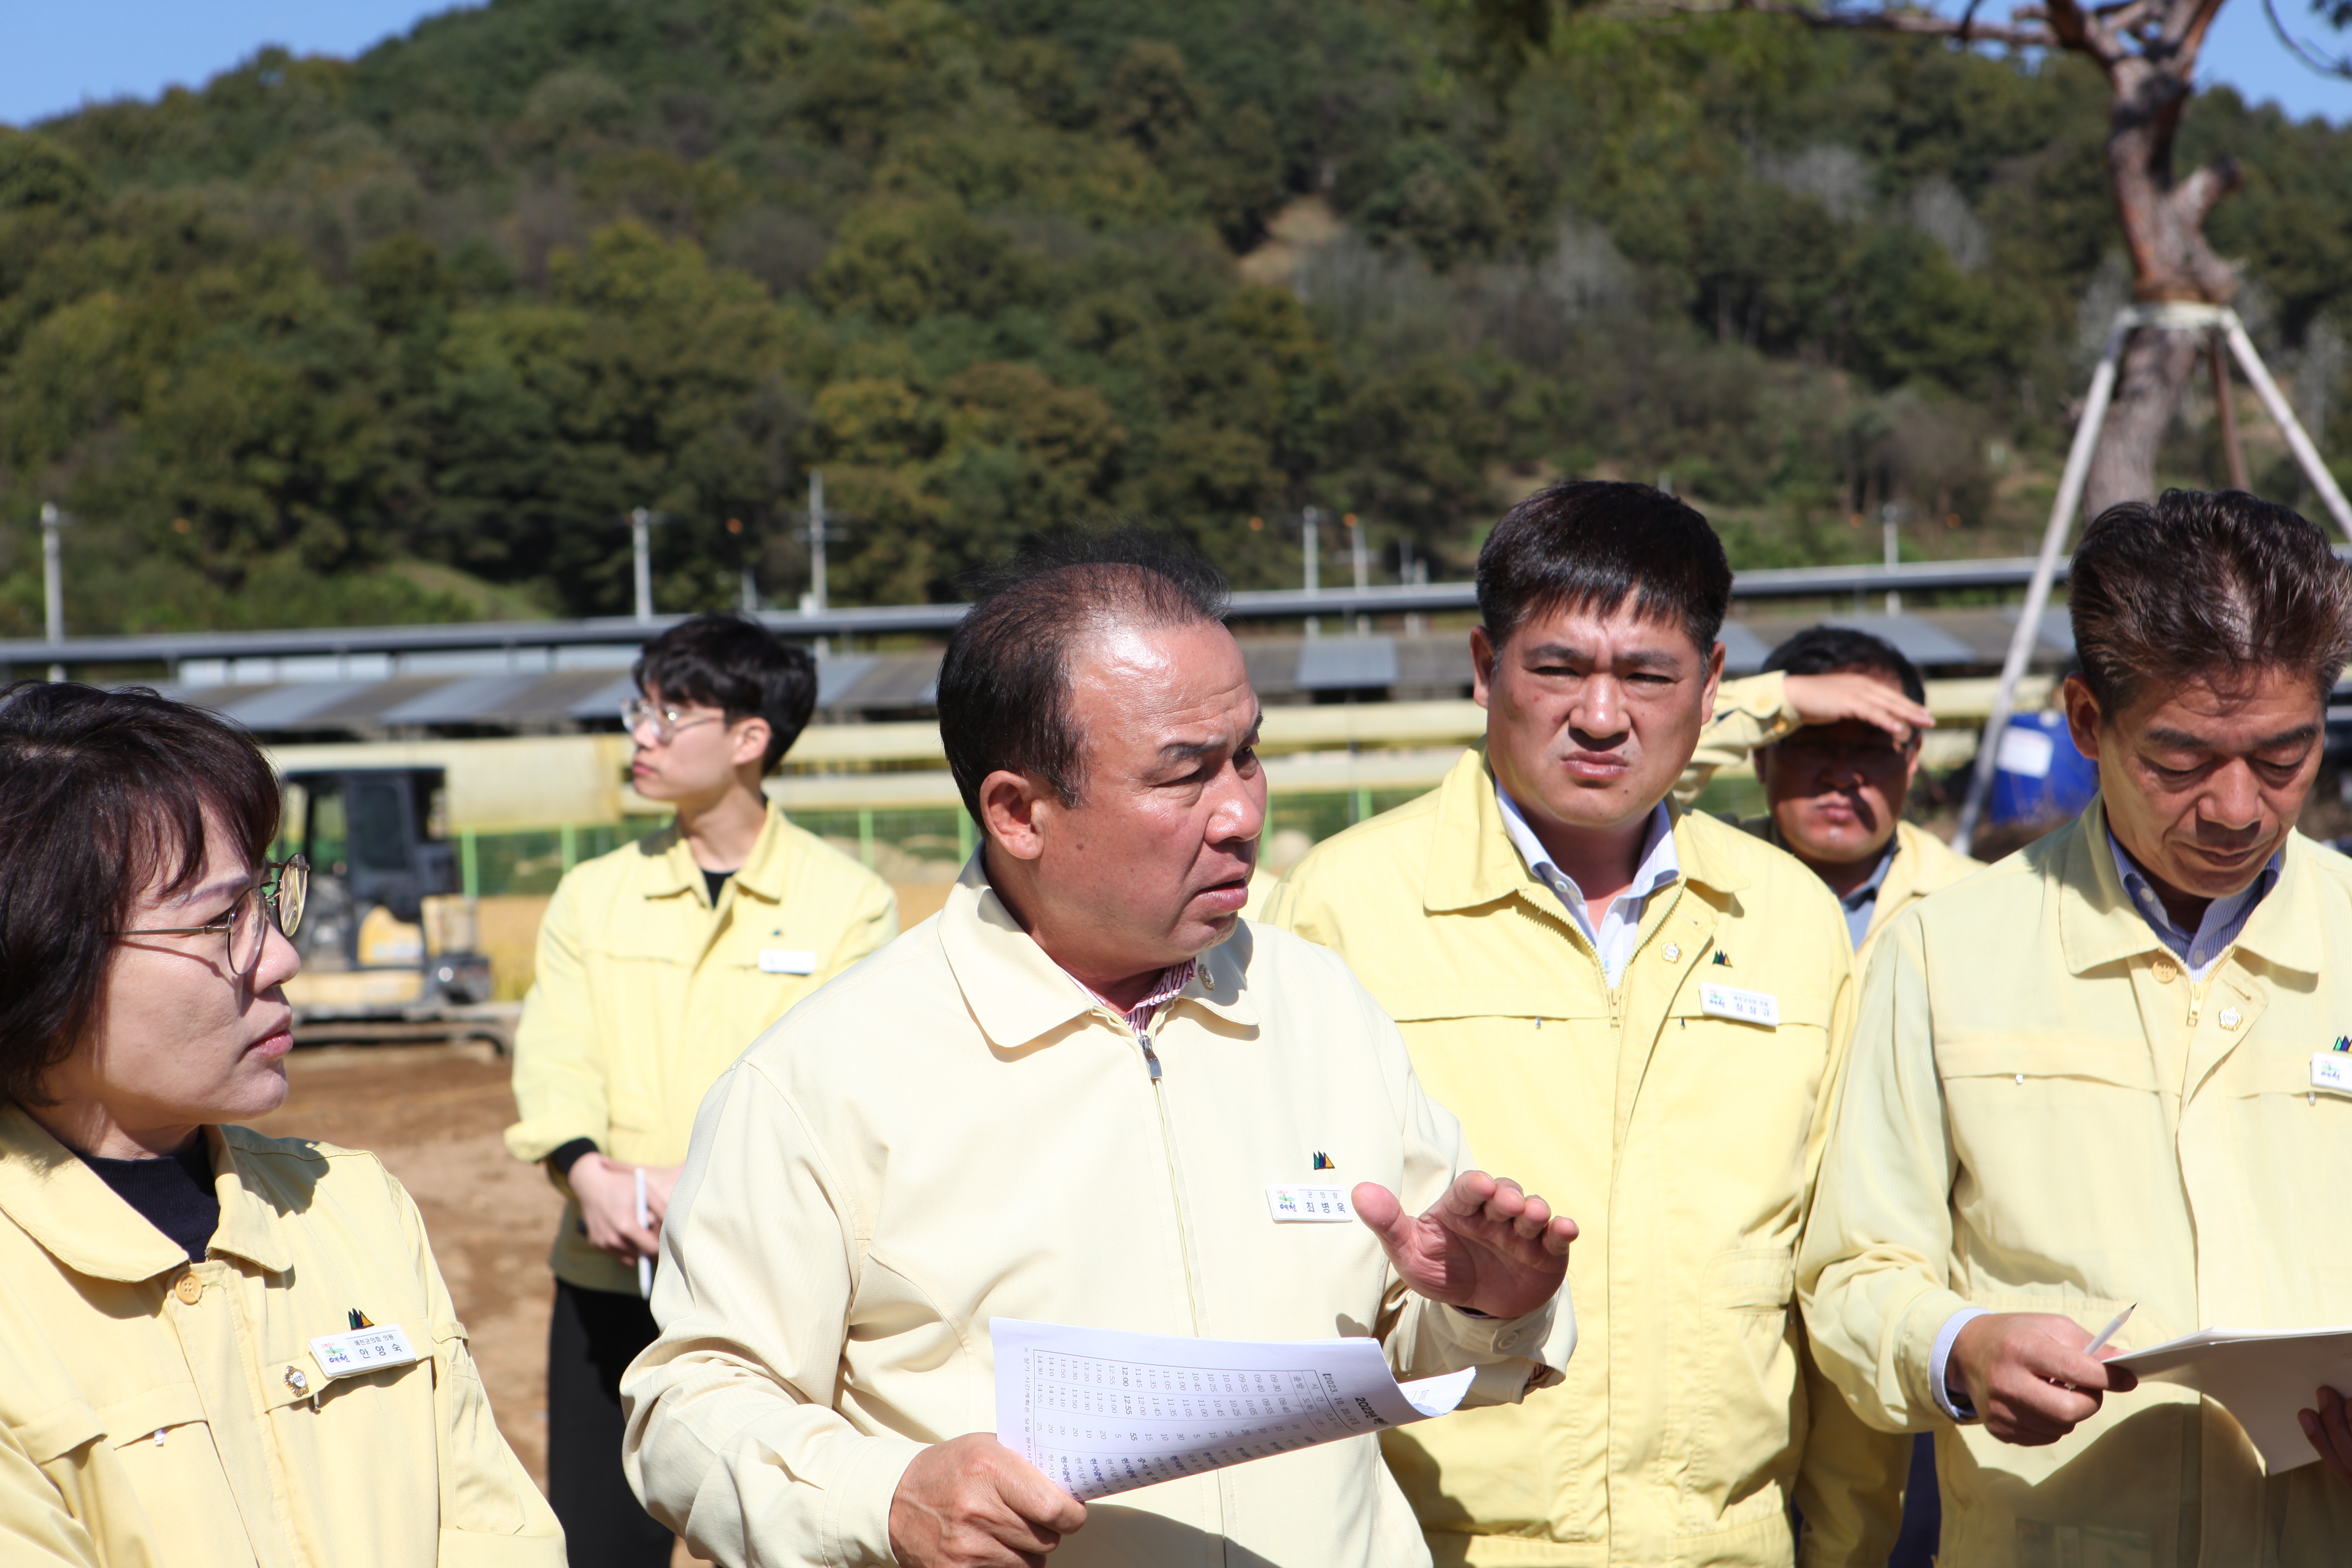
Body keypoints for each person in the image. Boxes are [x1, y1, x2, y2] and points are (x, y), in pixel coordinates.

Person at [621, 536, 1581, 1568]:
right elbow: (688, 1403)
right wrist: (884, 1496)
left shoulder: (1319, 1004)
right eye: (1185, 774)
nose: (1243, 811)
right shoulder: (825, 1075)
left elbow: (1402, 1340)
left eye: (1248, 753)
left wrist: (1483, 1303)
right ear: (1018, 812)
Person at [1265, 481, 1902, 1566]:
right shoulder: (1348, 905)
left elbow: (1834, 1264)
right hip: (1438, 1546)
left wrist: (1843, 1546)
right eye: (1558, 668)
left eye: (1648, 676)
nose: (1602, 717)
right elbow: (1288, 1279)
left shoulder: (1784, 916)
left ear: (1709, 689)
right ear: (1484, 667)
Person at [1798, 488, 2352, 1563]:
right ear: (2087, 722)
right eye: (2182, 759)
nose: (2237, 807)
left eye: (2282, 758)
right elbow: (1851, 1274)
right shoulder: (1943, 951)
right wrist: (1958, 1345)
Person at [0, 681, 562, 1564]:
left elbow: (496, 1534)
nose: (284, 958)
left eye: (265, 900)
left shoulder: (351, 1205)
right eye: (223, 920)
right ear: (42, 953)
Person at [504, 613, 897, 1566]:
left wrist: (713, 1185)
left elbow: (846, 1082)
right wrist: (583, 1168)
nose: (641, 733)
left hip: (780, 1283)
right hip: (610, 1262)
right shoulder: (591, 893)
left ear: (749, 737)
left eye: (670, 713)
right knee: (602, 1540)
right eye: (641, 708)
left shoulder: (849, 903)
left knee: (792, 1532)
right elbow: (557, 1051)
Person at [1682, 626, 1976, 962]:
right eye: (1813, 747)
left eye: (1871, 749)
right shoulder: (1698, 870)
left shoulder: (1975, 895)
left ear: (1912, 761)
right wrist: (1782, 701)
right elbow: (1631, 790)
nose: (1841, 777)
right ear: (1761, 756)